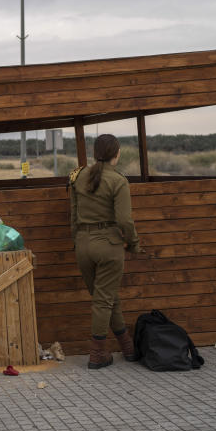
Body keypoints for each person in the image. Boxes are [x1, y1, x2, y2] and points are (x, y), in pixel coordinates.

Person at [69, 134, 144, 369]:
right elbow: (124, 220)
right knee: (103, 301)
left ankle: (127, 347)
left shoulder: (78, 176)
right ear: (117, 153)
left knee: (107, 297)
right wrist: (133, 244)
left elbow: (73, 215)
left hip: (83, 244)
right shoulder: (118, 180)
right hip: (108, 246)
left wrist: (77, 242)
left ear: (95, 153)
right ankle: (97, 354)